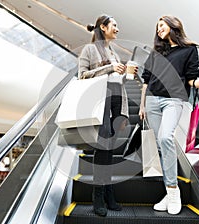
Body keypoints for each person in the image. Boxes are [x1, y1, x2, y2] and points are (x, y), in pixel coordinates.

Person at [139, 15, 199, 215]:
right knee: (162, 147)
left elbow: (191, 80)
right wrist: (143, 104)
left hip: (174, 100)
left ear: (173, 26)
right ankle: (168, 191)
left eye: (162, 26)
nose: (159, 30)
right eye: (157, 27)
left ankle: (173, 192)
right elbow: (146, 80)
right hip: (153, 100)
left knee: (165, 137)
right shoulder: (156, 52)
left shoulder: (189, 50)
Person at [78, 14, 136, 217]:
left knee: (110, 148)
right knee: (103, 147)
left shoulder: (113, 52)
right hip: (99, 101)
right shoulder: (90, 49)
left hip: (115, 102)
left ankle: (108, 192)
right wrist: (110, 68)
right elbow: (82, 75)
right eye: (114, 25)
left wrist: (126, 75)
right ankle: (99, 195)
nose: (117, 29)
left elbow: (117, 82)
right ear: (103, 27)